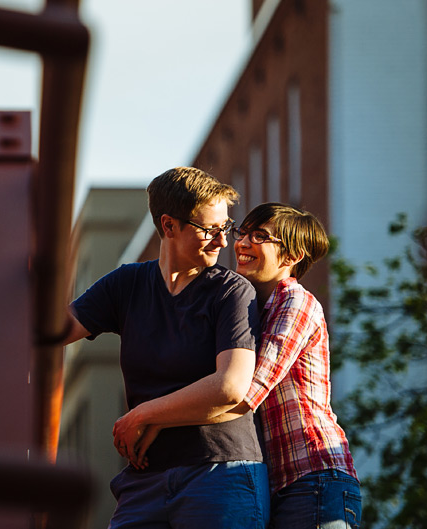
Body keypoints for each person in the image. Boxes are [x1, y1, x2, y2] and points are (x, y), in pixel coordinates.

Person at [125, 202, 361, 529]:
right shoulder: (253, 307)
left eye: (260, 236)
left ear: (292, 257)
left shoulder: (296, 302)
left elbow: (243, 395)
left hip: (315, 477)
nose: (242, 243)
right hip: (278, 482)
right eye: (243, 232)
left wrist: (152, 421)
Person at [63, 167, 269, 529]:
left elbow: (230, 386)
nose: (223, 241)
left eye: (226, 227)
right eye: (210, 229)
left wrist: (142, 415)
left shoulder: (232, 292)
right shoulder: (127, 284)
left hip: (220, 474)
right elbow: (53, 330)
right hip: (145, 480)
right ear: (169, 226)